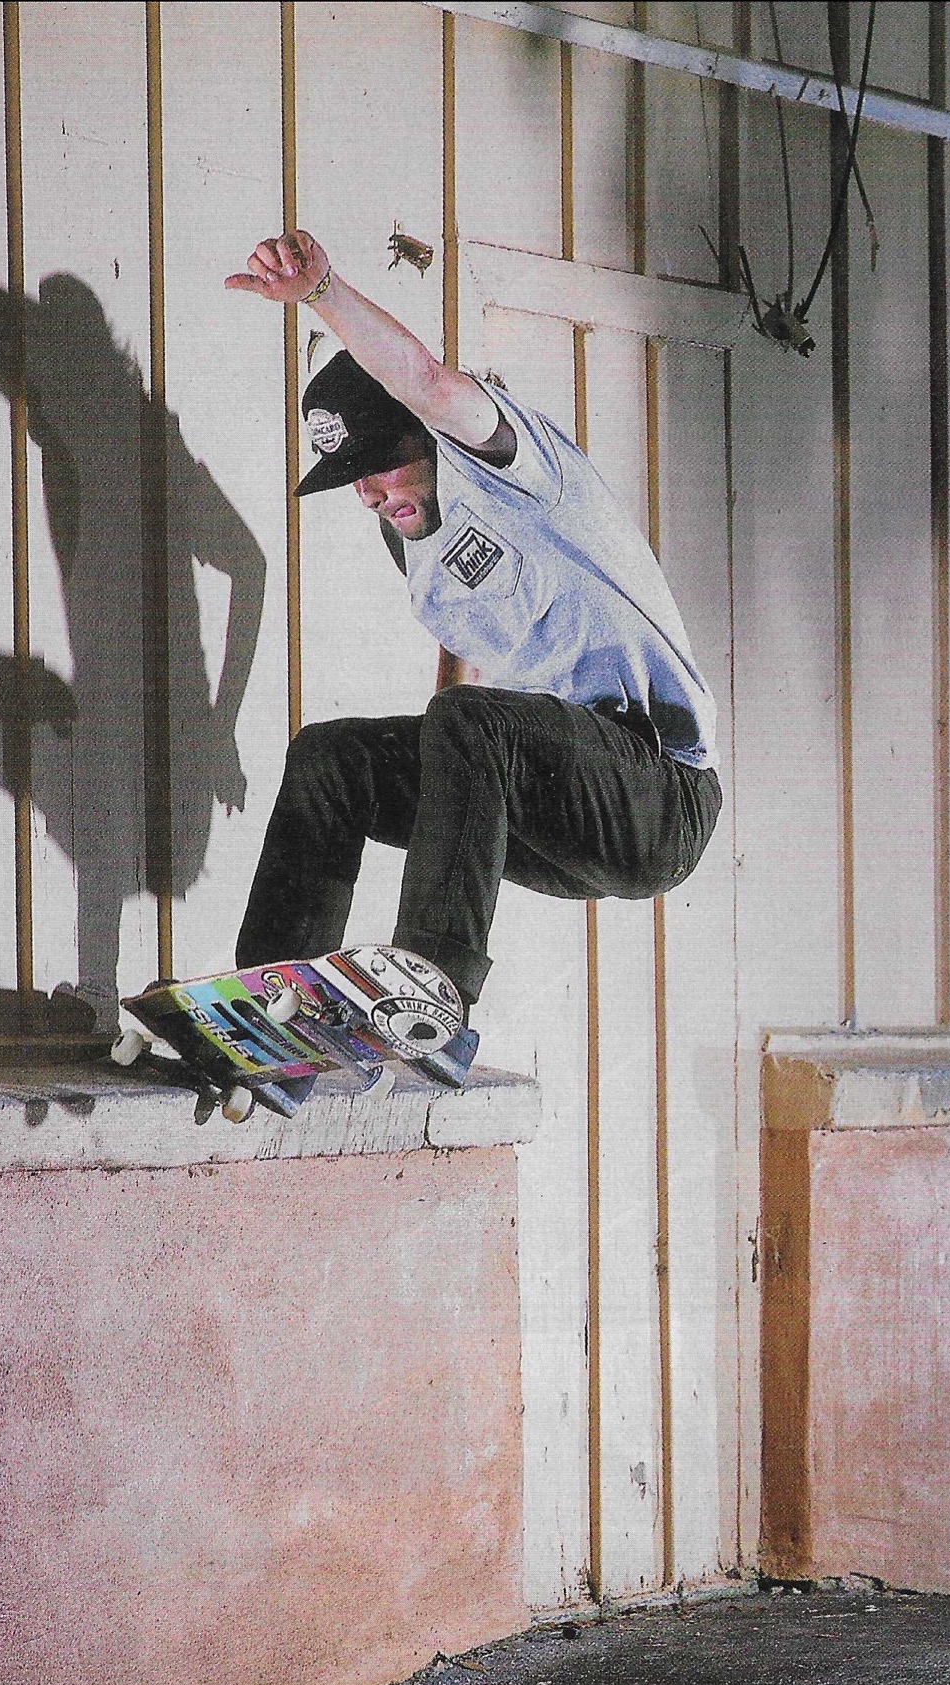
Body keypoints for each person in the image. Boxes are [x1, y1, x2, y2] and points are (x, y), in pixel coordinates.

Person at [224, 229, 722, 1082]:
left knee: (467, 720)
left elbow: (423, 379)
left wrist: (323, 293)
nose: (374, 496)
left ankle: (435, 1000)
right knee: (332, 758)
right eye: (357, 482)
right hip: (551, 799)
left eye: (384, 469)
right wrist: (447, 750)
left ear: (428, 439)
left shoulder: (509, 462)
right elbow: (467, 651)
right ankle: (276, 1009)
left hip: (658, 795)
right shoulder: (412, 538)